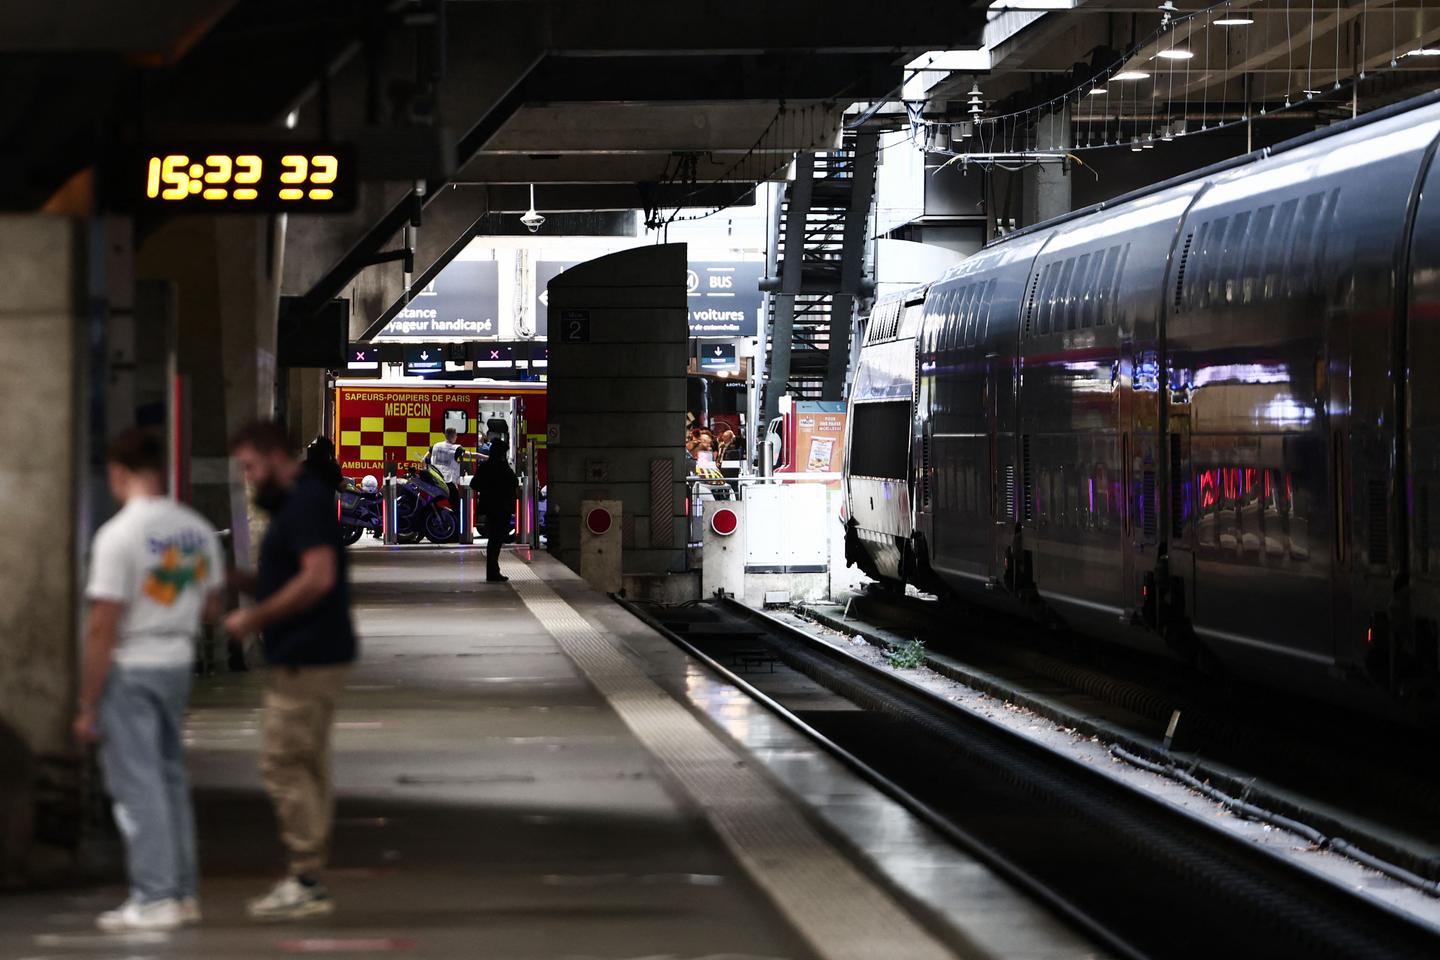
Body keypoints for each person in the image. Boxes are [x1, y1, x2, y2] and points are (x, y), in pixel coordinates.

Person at [78, 428, 223, 931]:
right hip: (178, 663)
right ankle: (182, 894)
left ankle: (154, 896)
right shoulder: (195, 529)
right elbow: (211, 607)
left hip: (133, 667)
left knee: (137, 785)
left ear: (118, 473)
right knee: (169, 777)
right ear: (161, 471)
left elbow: (103, 625)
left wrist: (87, 702)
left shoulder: (118, 535)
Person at [223, 421, 358, 920]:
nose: (249, 477)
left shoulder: (302, 503)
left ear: (275, 456)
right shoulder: (302, 502)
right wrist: (240, 581)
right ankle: (309, 871)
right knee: (307, 763)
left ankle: (306, 875)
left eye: (251, 467)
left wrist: (255, 618)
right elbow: (293, 576)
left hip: (307, 654)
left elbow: (318, 577)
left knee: (283, 763)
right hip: (314, 651)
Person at [473, 437, 517, 583]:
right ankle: (493, 572)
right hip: (502, 507)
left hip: (489, 507)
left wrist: (487, 489)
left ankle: (491, 571)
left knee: (492, 539)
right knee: (497, 540)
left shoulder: (485, 466)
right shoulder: (503, 466)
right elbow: (514, 481)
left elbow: (474, 484)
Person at [424, 427, 466, 503]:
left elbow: (424, 459)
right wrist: (487, 457)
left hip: (434, 480)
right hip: (448, 482)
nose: (457, 437)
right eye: (456, 435)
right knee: (455, 504)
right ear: (452, 436)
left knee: (434, 502)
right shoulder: (456, 448)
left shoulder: (435, 446)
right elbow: (472, 455)